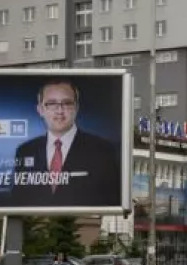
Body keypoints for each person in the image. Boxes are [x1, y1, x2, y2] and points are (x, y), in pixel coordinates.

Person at [11, 79, 121, 207]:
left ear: (76, 108)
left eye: (67, 103)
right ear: (40, 109)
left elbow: (111, 201)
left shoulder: (102, 150)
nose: (59, 111)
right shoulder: (25, 150)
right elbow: (18, 201)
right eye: (51, 104)